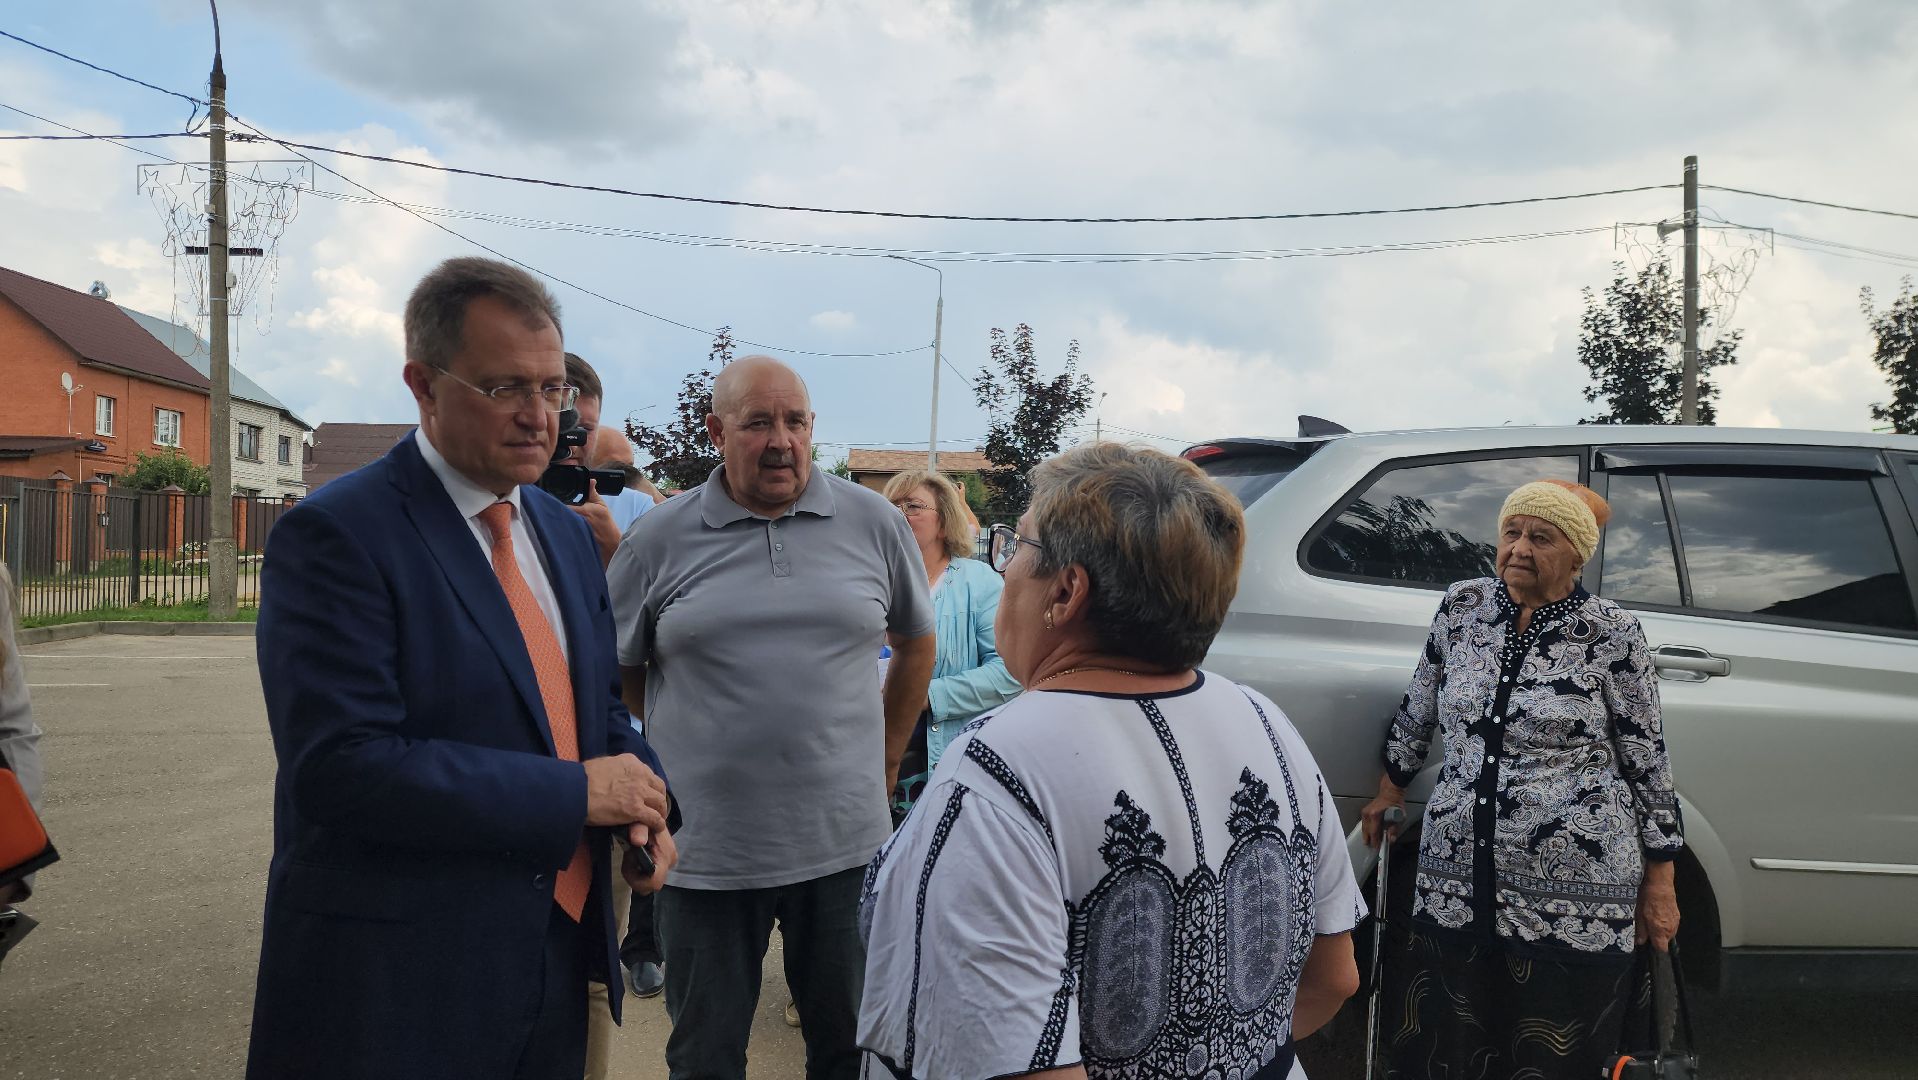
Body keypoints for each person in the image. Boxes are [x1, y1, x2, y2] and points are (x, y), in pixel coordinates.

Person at [247, 257, 677, 1080]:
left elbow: (598, 714)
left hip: (556, 959)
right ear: (423, 385)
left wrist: (649, 808)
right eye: (505, 388)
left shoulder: (560, 532)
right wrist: (578, 793)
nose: (538, 417)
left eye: (553, 390)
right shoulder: (340, 535)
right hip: (404, 984)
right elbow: (340, 767)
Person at [858, 443, 1364, 1080]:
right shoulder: (1269, 725)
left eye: (1018, 547)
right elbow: (1334, 976)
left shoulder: (997, 770)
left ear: (1066, 592)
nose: (1007, 570)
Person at [607, 355, 937, 1080]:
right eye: (758, 423)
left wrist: (884, 760)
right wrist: (689, 742)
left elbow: (917, 644)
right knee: (705, 1057)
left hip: (844, 848)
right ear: (716, 431)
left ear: (813, 427)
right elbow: (621, 673)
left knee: (848, 1051)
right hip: (705, 855)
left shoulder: (874, 521)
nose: (781, 440)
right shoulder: (657, 539)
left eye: (796, 421)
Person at [1359, 478, 1684, 1079]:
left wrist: (1660, 880)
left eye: (1542, 537)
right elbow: (1421, 705)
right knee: (1451, 1032)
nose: (1519, 550)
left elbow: (1647, 757)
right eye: (1511, 533)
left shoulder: (1611, 630)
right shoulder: (1463, 607)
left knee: (1555, 1044)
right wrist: (1390, 789)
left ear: (1577, 554)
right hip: (1458, 870)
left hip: (1576, 882)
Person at [878, 469, 1020, 816]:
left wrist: (927, 695)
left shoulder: (979, 583)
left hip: (941, 763)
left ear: (944, 523)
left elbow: (1010, 673)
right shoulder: (868, 582)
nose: (899, 514)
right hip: (869, 756)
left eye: (913, 506)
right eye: (892, 506)